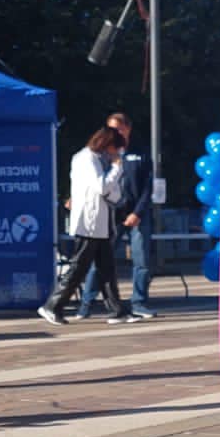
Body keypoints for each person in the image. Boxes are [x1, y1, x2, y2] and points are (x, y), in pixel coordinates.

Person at [39, 126, 132, 325]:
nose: (116, 154)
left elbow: (112, 192)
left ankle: (117, 310)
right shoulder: (86, 159)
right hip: (89, 224)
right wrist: (117, 168)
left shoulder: (97, 159)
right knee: (78, 268)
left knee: (106, 268)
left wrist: (113, 179)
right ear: (107, 144)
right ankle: (52, 306)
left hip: (101, 224)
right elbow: (101, 187)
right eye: (115, 148)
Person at [77, 110, 155, 321]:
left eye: (119, 129)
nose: (115, 133)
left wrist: (137, 212)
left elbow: (149, 186)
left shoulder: (141, 151)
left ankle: (139, 302)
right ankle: (87, 303)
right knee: (101, 260)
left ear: (127, 129)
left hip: (137, 214)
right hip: (112, 214)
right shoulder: (103, 154)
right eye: (111, 129)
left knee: (142, 261)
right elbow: (95, 183)